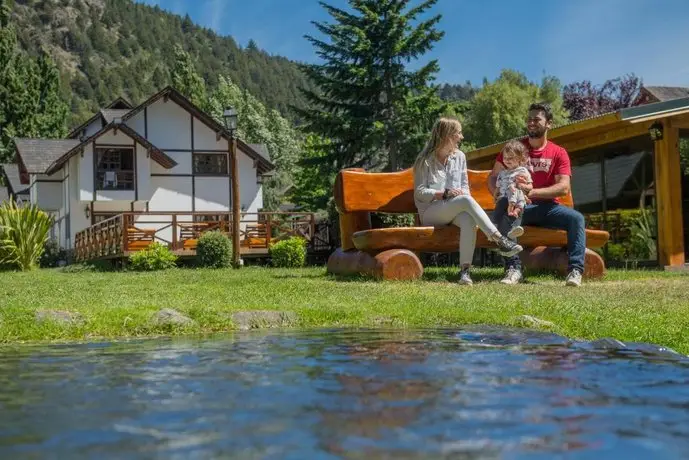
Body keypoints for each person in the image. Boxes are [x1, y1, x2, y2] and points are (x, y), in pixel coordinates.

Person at [414, 117, 523, 286]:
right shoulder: (425, 160)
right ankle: (499, 239)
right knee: (465, 200)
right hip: (431, 212)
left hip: (455, 209)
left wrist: (459, 195)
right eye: (458, 133)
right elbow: (420, 193)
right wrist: (443, 193)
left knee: (468, 219)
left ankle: (465, 272)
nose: (461, 137)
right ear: (447, 135)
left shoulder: (460, 157)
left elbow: (464, 186)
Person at [488, 103, 586, 287]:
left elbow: (563, 187)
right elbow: (493, 177)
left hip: (548, 208)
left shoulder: (558, 153)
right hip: (518, 206)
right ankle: (513, 269)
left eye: (536, 119)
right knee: (506, 214)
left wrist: (532, 192)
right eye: (529, 119)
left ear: (549, 123)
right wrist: (498, 192)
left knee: (576, 219)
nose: (531, 122)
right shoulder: (514, 148)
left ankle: (575, 271)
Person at [494, 140, 532, 234]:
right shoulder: (502, 173)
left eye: (510, 158)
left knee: (514, 213)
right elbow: (498, 186)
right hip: (504, 198)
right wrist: (496, 193)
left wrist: (522, 185)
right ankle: (493, 226)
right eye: (505, 158)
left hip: (517, 199)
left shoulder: (523, 171)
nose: (507, 160)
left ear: (519, 158)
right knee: (501, 205)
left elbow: (530, 186)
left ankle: (512, 230)